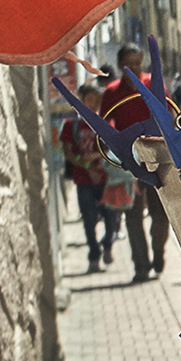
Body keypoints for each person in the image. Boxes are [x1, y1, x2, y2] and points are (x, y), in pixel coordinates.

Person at [99, 42, 171, 282]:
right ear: (120, 65)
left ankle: (158, 254)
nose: (133, 67)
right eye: (127, 63)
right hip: (130, 163)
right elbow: (105, 124)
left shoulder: (155, 85)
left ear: (143, 62)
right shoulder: (111, 92)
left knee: (161, 215)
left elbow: (169, 114)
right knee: (133, 216)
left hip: (158, 159)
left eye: (137, 63)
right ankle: (141, 265)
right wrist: (112, 151)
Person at [61, 81, 120, 272]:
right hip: (83, 180)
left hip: (105, 179)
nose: (93, 104)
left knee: (112, 218)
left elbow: (111, 147)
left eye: (97, 101)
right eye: (89, 100)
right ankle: (94, 254)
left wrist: (95, 157)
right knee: (88, 219)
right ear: (81, 101)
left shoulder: (106, 122)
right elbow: (69, 153)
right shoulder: (72, 124)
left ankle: (108, 243)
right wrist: (87, 166)